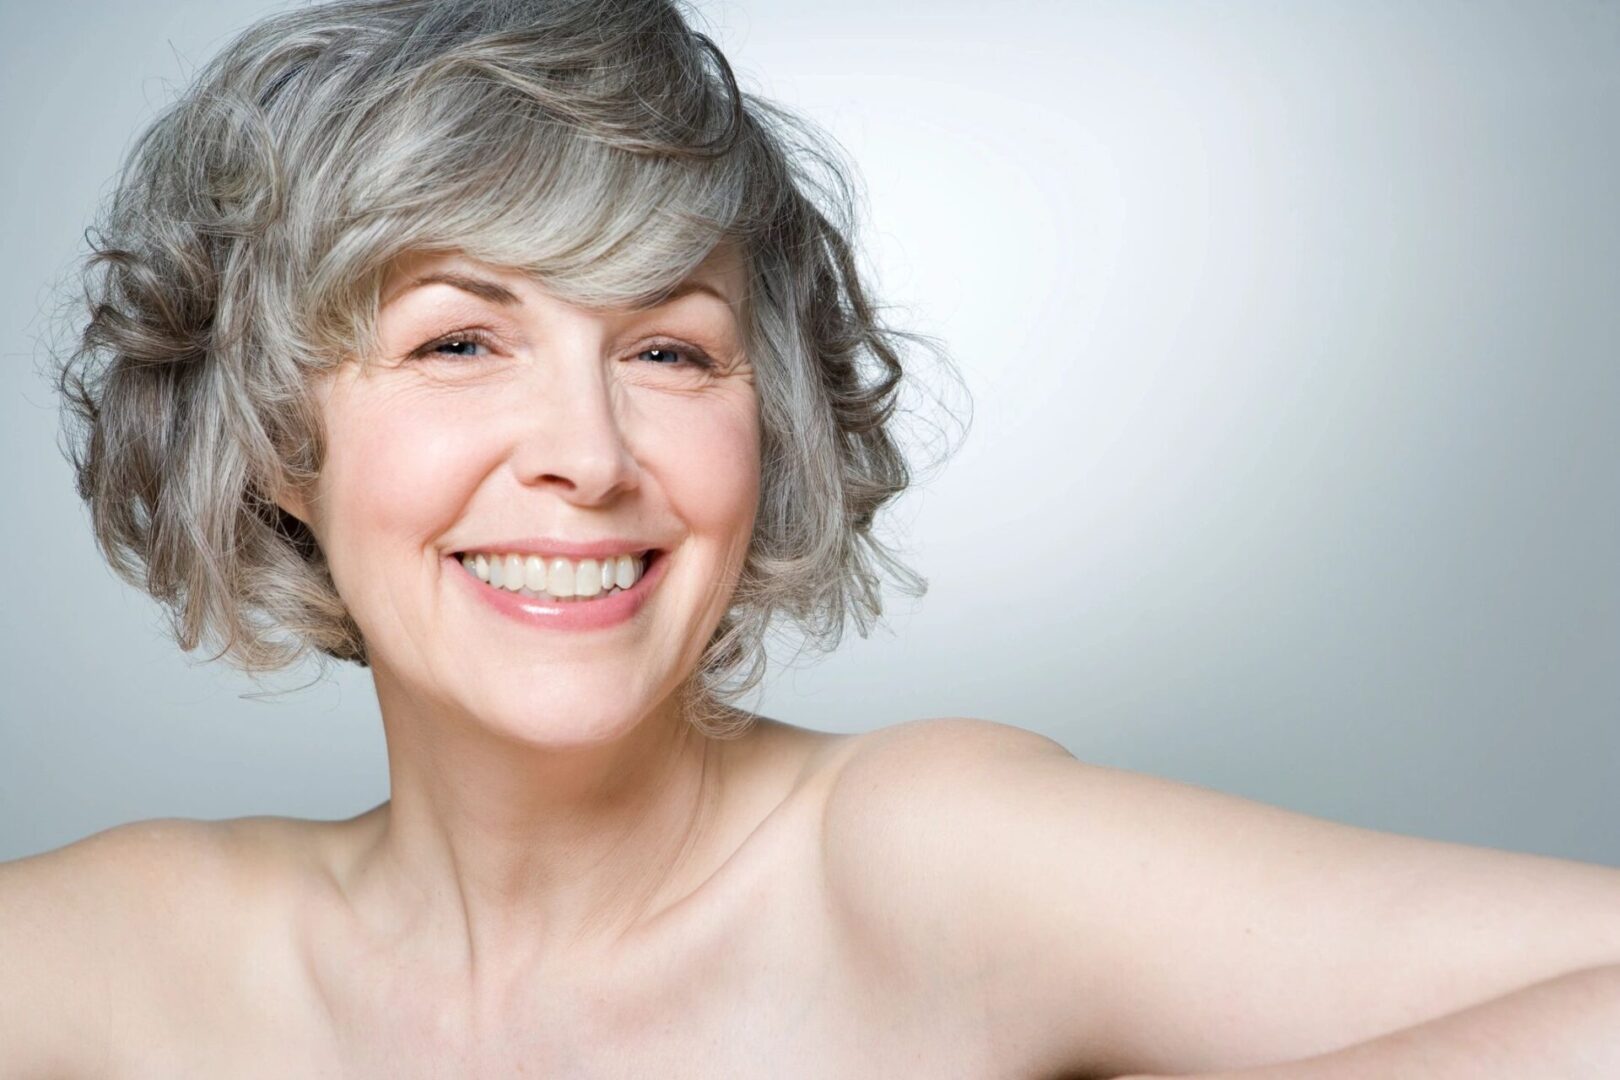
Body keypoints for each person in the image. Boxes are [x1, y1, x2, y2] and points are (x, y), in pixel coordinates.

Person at [5, 1, 1619, 1076]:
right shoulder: (135, 958)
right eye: (457, 342)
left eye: (670, 351)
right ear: (281, 443)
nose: (586, 456)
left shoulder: (918, 860)